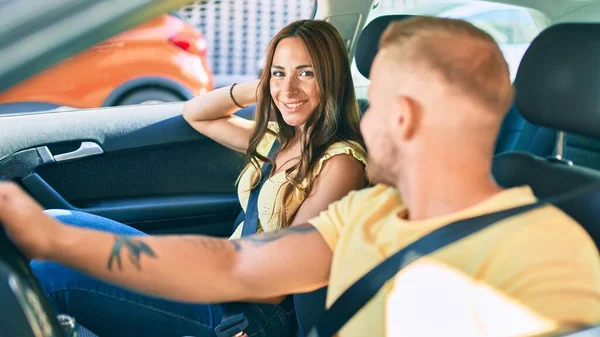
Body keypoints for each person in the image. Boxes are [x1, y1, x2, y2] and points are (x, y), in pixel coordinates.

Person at [2, 16, 600, 337]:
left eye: (377, 94)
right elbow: (238, 266)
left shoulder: (549, 257)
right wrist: (55, 238)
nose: (359, 111)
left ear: (404, 115)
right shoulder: (367, 215)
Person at [9, 19, 368, 337]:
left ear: (331, 78)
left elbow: (282, 277)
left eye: (305, 73)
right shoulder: (280, 139)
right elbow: (198, 114)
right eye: (279, 72)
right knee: (55, 224)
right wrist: (257, 89)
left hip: (248, 313)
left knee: (55, 272)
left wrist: (185, 276)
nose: (288, 90)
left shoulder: (341, 164)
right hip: (224, 277)